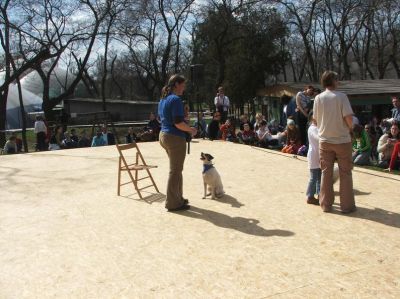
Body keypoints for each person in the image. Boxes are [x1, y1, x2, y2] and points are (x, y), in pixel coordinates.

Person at [313, 70, 356, 214]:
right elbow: (349, 118)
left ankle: (326, 204)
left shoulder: (318, 98)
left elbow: (316, 120)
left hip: (324, 140)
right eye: (337, 79)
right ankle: (347, 206)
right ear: (333, 81)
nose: (338, 82)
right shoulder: (341, 97)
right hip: (342, 140)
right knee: (345, 173)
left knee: (326, 173)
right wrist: (352, 128)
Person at [158, 74, 197, 212]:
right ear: (176, 85)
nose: (184, 87)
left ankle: (178, 198)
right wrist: (191, 130)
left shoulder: (163, 99)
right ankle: (172, 203)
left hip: (164, 135)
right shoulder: (175, 99)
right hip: (174, 138)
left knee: (177, 169)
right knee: (175, 171)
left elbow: (165, 119)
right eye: (183, 84)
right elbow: (178, 123)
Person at [306, 114, 321, 205]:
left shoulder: (317, 127)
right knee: (313, 178)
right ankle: (310, 196)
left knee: (320, 177)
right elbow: (319, 138)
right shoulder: (312, 128)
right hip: (314, 155)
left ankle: (320, 195)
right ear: (312, 118)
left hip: (318, 155)